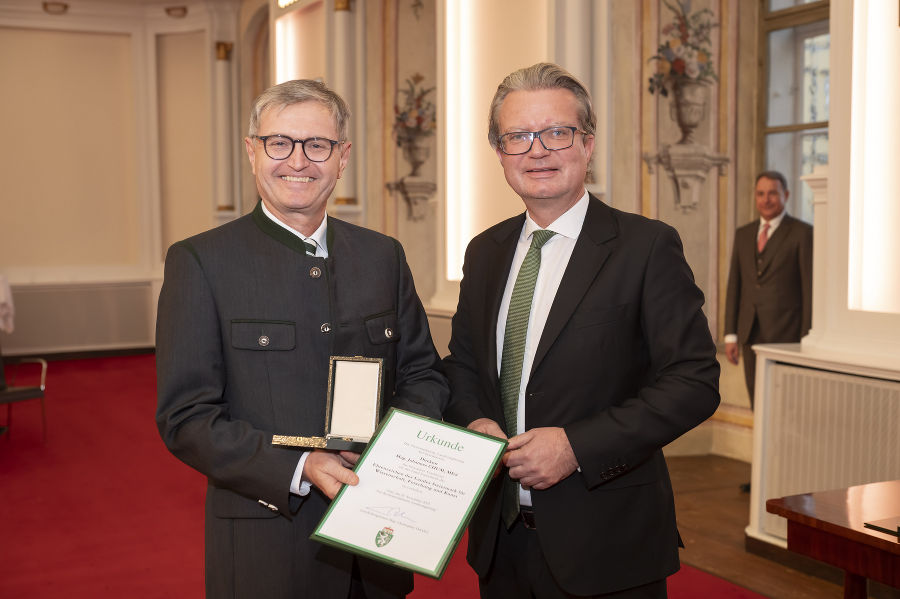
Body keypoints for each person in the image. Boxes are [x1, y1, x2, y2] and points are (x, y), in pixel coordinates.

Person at [155, 79, 448, 599]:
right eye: (280, 143)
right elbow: (187, 418)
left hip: (375, 543)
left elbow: (422, 372)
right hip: (269, 549)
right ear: (252, 152)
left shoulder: (382, 256)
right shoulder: (202, 262)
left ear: (342, 158)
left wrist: (397, 450)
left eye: (318, 145)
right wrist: (298, 466)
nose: (299, 161)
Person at [442, 62, 720, 598]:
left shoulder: (645, 247)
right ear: (499, 153)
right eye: (518, 136)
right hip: (500, 540)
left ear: (587, 144)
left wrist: (577, 446)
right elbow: (463, 364)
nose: (537, 150)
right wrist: (474, 418)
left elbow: (694, 382)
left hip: (607, 542)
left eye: (557, 132)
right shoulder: (485, 251)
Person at [724, 171, 813, 407]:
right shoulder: (743, 234)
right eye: (761, 194)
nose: (766, 199)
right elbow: (735, 285)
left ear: (786, 195)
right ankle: (762, 447)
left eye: (772, 193)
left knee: (785, 402)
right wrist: (731, 334)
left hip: (787, 335)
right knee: (757, 399)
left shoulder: (803, 233)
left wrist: (805, 339)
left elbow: (809, 289)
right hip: (749, 332)